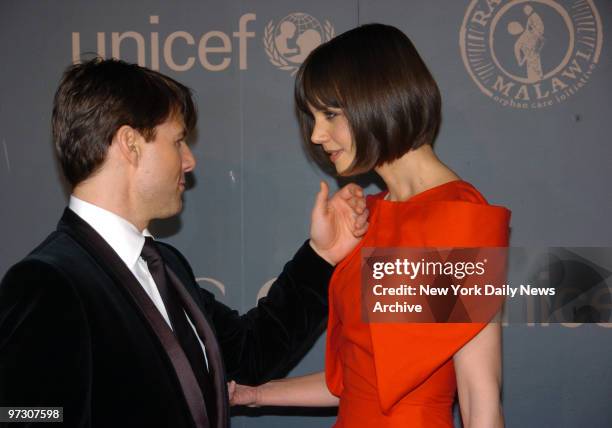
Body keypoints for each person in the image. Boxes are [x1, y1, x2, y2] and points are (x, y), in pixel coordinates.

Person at [0, 58, 369, 428]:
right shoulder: (48, 282)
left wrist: (322, 256)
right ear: (130, 144)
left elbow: (249, 352)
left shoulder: (165, 264)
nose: (189, 161)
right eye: (178, 141)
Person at [229, 24, 511, 428]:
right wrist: (256, 394)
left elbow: (478, 399)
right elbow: (359, 380)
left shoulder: (458, 217)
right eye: (311, 117)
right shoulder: (365, 216)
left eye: (329, 114)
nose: (316, 134)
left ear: (378, 98)